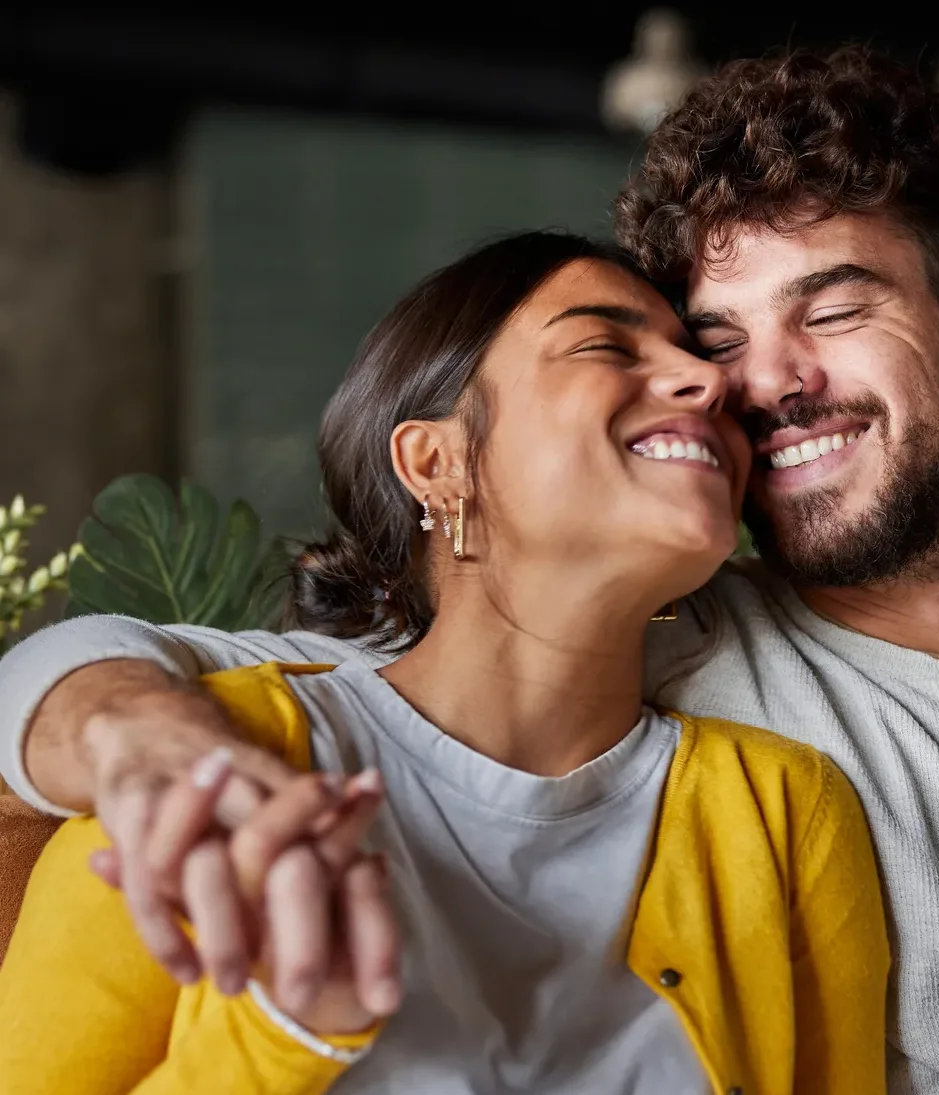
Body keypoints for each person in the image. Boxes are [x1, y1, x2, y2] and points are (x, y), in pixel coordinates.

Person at [1, 43, 939, 1095]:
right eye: (719, 337)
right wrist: (144, 749)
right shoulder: (648, 652)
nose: (749, 382)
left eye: (832, 311)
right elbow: (131, 682)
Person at [0, 232, 888, 1094]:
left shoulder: (782, 814)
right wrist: (289, 1034)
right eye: (601, 344)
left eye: (695, 354)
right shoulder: (204, 773)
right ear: (439, 462)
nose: (710, 380)